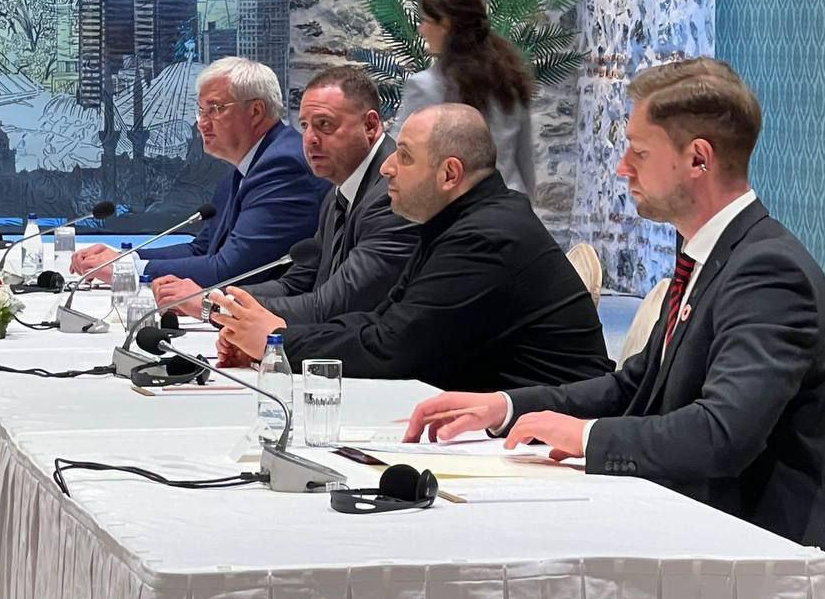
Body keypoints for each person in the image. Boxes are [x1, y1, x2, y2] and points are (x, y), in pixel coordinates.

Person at [402, 59, 825, 599]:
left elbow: (723, 434)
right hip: (707, 540)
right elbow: (633, 386)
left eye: (639, 152)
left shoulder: (768, 272)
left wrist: (585, 436)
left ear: (698, 159)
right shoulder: (713, 256)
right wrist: (505, 407)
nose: (623, 167)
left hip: (775, 575)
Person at [211, 103, 611, 391]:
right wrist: (276, 342)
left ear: (449, 173)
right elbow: (380, 320)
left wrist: (278, 340)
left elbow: (392, 349)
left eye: (404, 157)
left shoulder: (487, 236)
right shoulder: (456, 220)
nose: (387, 167)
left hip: (549, 432)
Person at [153, 65, 418, 322]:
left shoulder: (392, 195)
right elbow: (295, 283)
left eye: (324, 124)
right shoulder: (338, 192)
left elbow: (333, 305)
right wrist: (215, 298)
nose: (310, 139)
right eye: (305, 126)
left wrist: (211, 305)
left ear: (370, 125)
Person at [71, 57, 328, 286]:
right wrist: (125, 258)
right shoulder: (245, 168)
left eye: (215, 109)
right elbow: (202, 249)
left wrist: (126, 271)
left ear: (255, 111)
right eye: (200, 111)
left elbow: (228, 270)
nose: (201, 123)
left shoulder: (283, 167)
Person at [391, 0, 535, 197]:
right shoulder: (511, 79)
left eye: (425, 21)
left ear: (445, 25)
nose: (421, 29)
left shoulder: (425, 87)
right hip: (511, 201)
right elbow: (524, 158)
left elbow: (400, 154)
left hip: (459, 207)